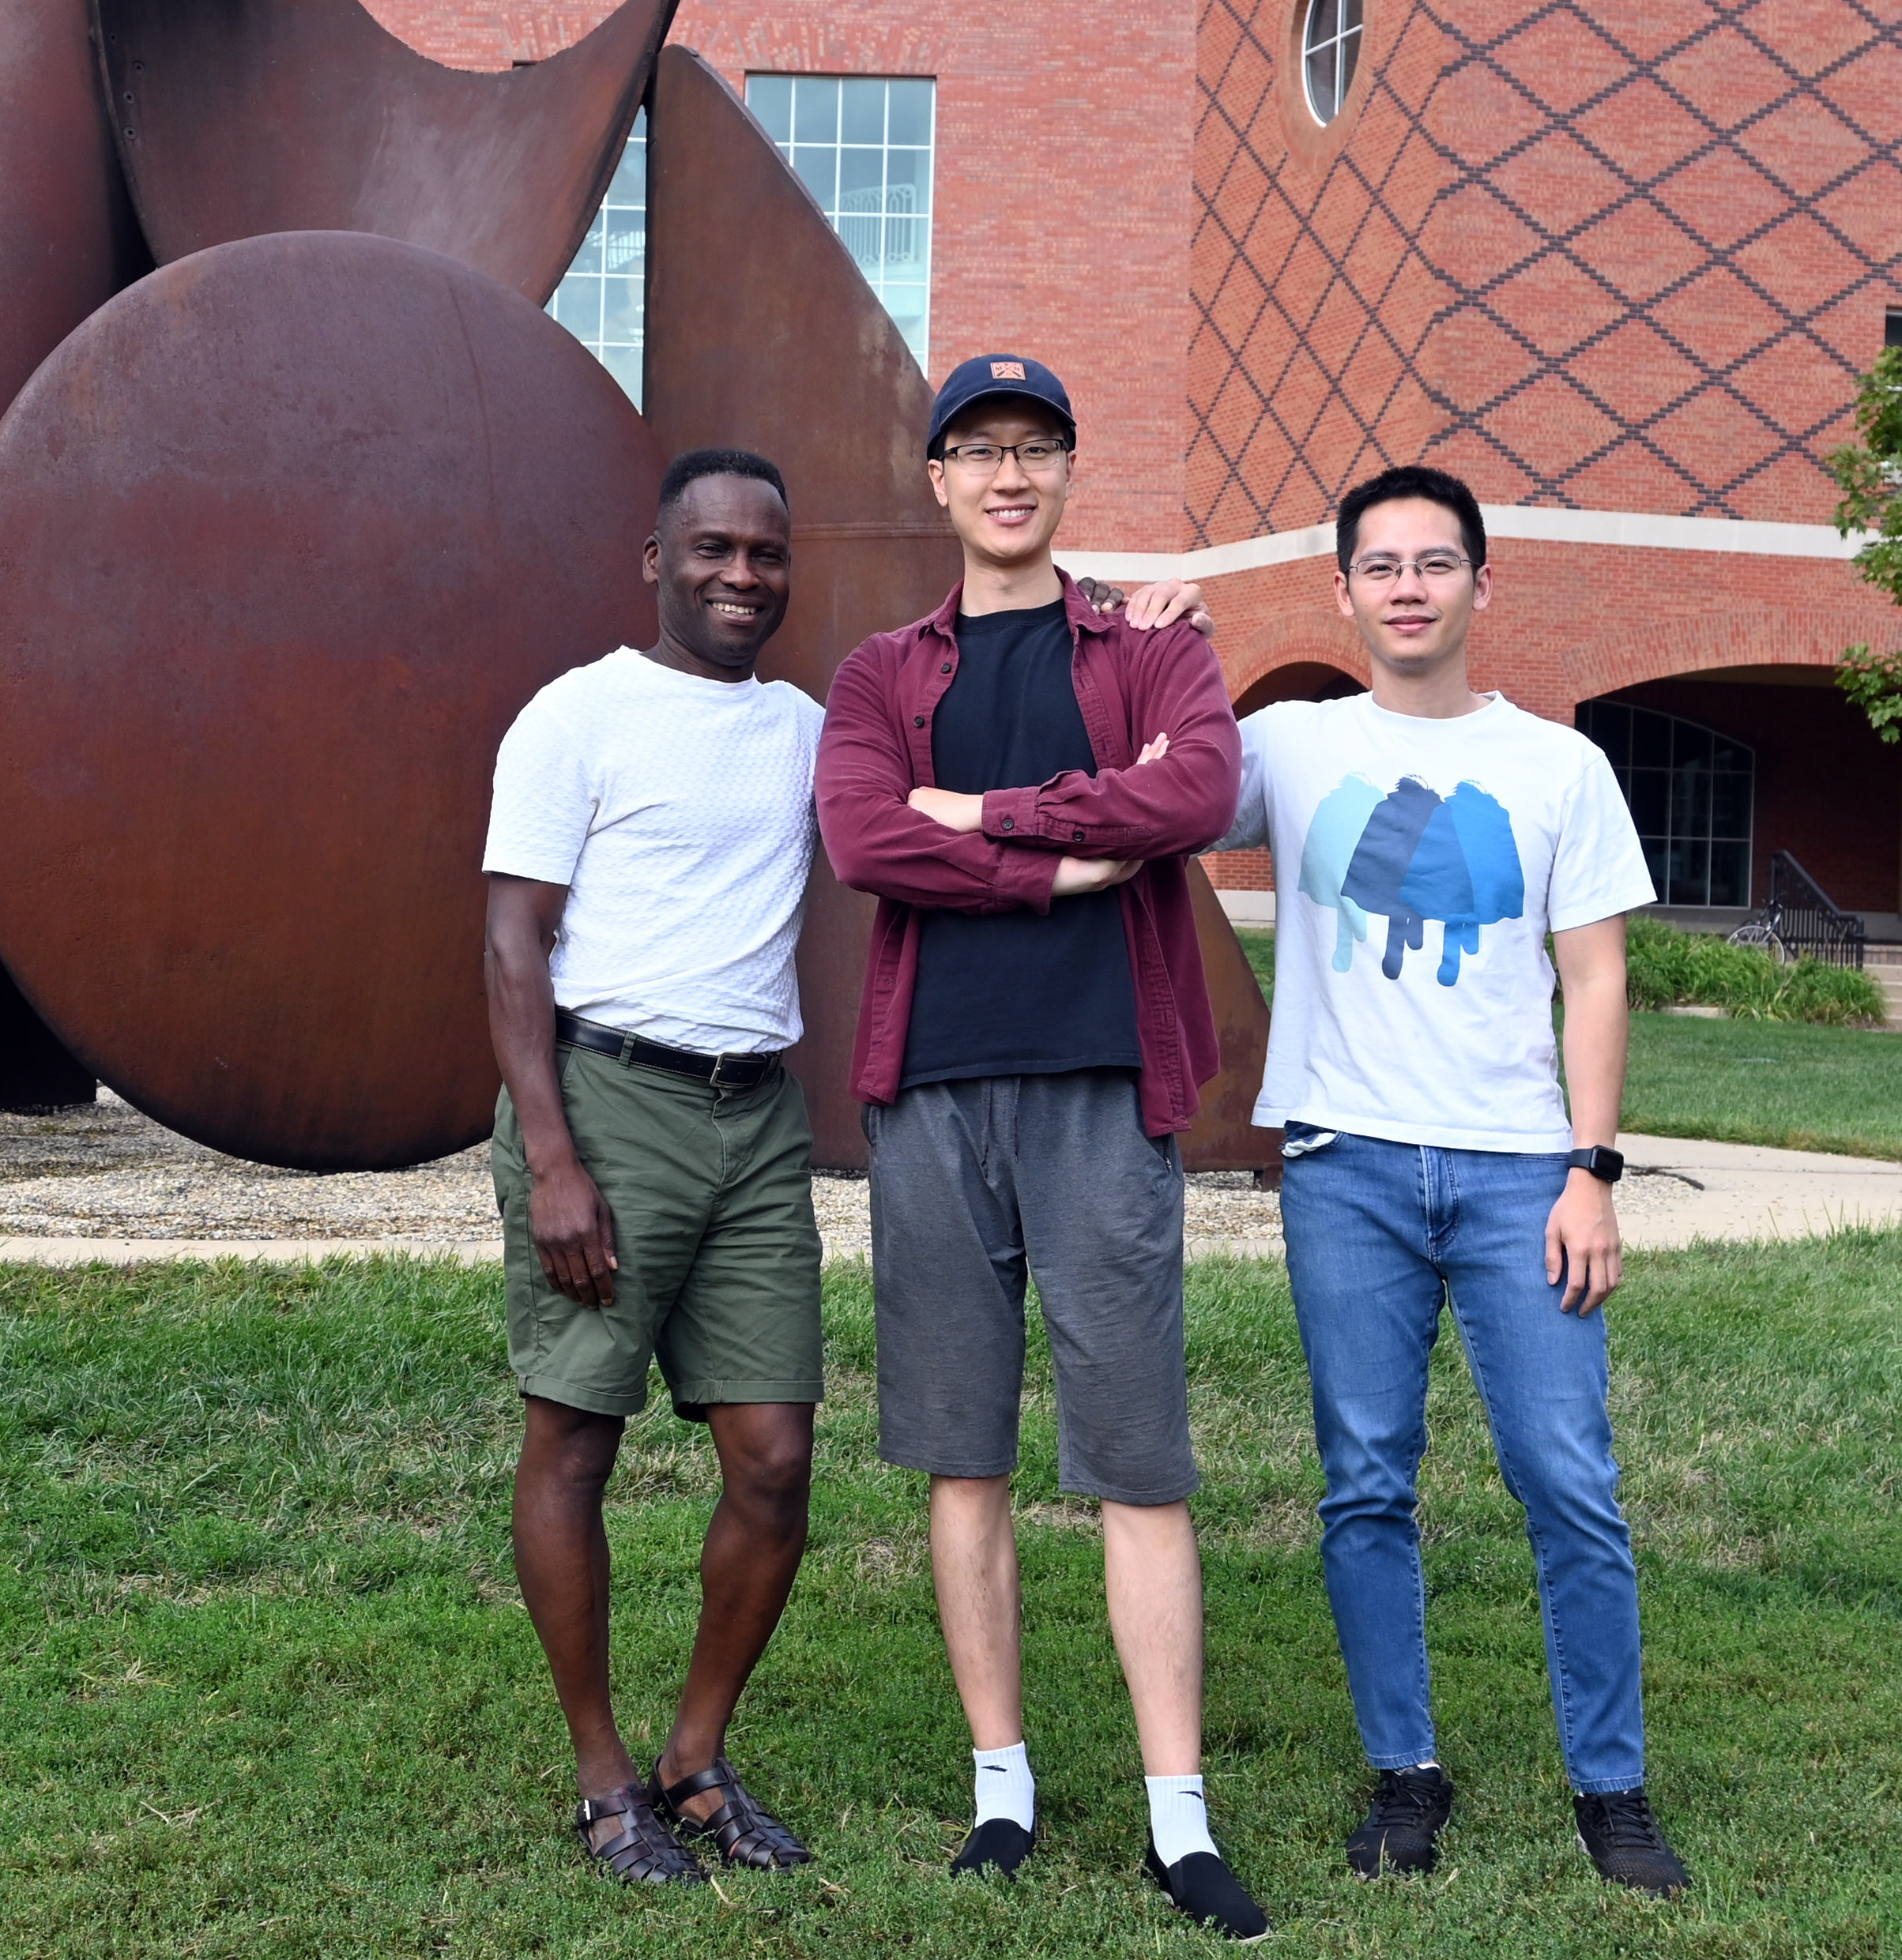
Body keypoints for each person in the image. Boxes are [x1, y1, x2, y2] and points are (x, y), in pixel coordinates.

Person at [815, 354, 1268, 1940]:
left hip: (1098, 1087)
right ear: (935, 480)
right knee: (965, 1453)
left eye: (1035, 447)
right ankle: (1000, 1787)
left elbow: (1199, 790)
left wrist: (984, 818)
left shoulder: (1145, 645)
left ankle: (1176, 1818)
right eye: (977, 450)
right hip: (931, 1092)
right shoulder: (880, 672)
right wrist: (1072, 852)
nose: (1006, 474)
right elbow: (863, 835)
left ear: (1068, 471)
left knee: (1135, 1458)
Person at [1211, 463, 1693, 1898]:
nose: (1408, 586)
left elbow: (1594, 973)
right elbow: (1154, 782)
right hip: (1342, 1165)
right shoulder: (1290, 746)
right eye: (1382, 564)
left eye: (1436, 562)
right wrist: (1152, 631)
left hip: (1515, 1179)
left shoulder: (1557, 766)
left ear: (1484, 584)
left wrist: (1590, 1168)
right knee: (1364, 1482)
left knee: (1570, 1481)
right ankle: (1402, 1772)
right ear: (1342, 590)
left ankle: (1609, 1787)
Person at [482, 449, 827, 1886]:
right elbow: (511, 941)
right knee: (576, 1436)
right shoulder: (576, 716)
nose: (740, 575)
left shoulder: (810, 726)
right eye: (711, 551)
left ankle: (694, 1758)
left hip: (757, 1118)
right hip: (609, 1100)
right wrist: (553, 1157)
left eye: (763, 553)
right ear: (656, 561)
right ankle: (603, 1778)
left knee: (775, 1456)